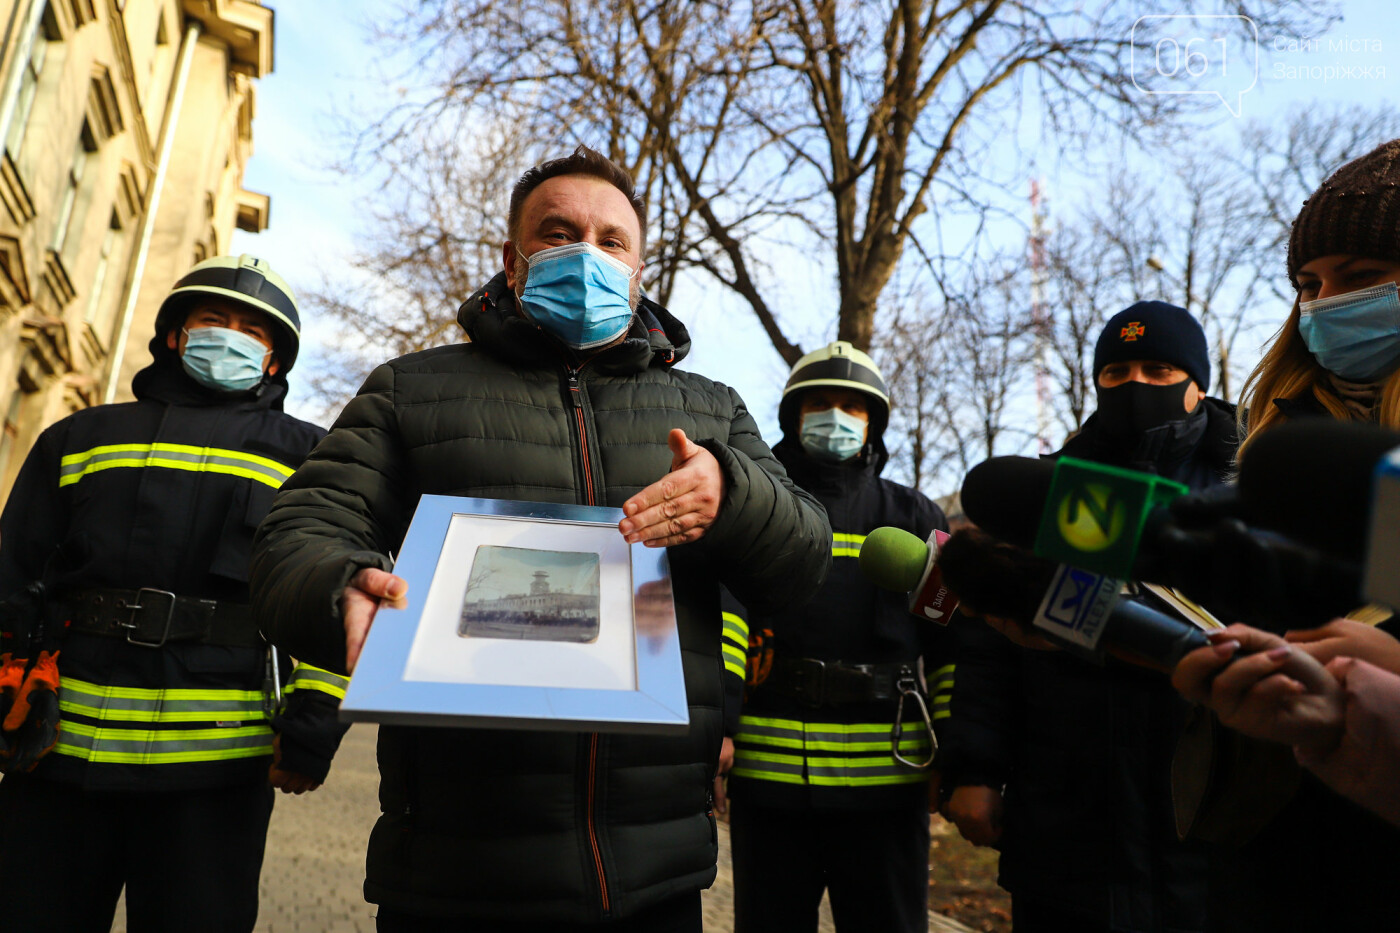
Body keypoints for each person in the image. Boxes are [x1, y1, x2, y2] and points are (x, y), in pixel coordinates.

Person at [249, 146, 832, 932]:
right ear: (513, 260)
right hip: (454, 868)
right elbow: (302, 526)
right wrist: (337, 584)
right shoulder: (409, 388)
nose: (587, 253)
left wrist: (736, 493)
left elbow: (803, 562)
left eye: (611, 240)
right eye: (559, 233)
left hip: (652, 871)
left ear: (638, 267)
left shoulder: (711, 410)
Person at [0, 255, 350, 933]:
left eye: (253, 330)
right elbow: (13, 572)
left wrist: (316, 719)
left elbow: (330, 595)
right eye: (212, 320)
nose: (230, 336)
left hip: (215, 769)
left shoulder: (315, 458)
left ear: (276, 360)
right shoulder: (77, 437)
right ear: (174, 335)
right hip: (57, 757)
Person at [938, 301, 1235, 933]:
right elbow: (986, 652)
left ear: (1199, 384)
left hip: (1215, 840)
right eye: (1117, 371)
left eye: (1159, 370)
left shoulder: (1248, 486)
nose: (1136, 385)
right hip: (1067, 834)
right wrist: (975, 770)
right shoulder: (1043, 494)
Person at [1169, 136, 1400, 932]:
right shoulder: (1270, 454)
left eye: (1363, 278)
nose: (1324, 302)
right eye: (1308, 283)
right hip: (1272, 849)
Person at [720, 342, 952, 933]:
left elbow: (953, 646)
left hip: (888, 783)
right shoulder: (755, 508)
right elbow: (724, 620)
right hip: (770, 781)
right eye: (819, 403)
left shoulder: (918, 517)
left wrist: (957, 751)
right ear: (793, 415)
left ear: (874, 421)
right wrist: (716, 728)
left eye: (853, 406)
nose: (836, 417)